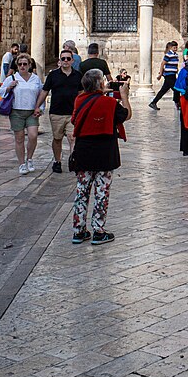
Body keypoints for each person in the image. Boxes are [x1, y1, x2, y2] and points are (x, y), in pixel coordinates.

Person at [69, 69, 131, 245]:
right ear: (100, 84)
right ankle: (98, 230)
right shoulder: (109, 103)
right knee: (101, 192)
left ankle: (78, 231)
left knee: (82, 192)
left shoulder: (79, 100)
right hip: (104, 153)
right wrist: (124, 96)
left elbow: (74, 120)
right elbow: (126, 114)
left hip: (83, 152)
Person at [34, 47, 83, 174]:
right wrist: (37, 106)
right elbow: (45, 91)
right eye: (63, 59)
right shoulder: (53, 75)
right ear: (60, 61)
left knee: (73, 138)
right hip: (56, 113)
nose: (66, 61)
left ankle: (73, 160)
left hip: (72, 113)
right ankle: (57, 161)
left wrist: (82, 108)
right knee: (57, 138)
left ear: (72, 60)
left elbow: (81, 93)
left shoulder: (78, 76)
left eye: (68, 58)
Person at [0, 54, 43, 175]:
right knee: (19, 138)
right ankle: (22, 163)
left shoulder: (35, 79)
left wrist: (40, 108)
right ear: (17, 66)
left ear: (29, 65)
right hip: (16, 111)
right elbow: (0, 91)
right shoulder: (12, 78)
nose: (22, 66)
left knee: (33, 136)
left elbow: (41, 94)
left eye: (25, 64)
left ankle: (29, 159)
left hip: (31, 112)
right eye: (20, 64)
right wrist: (8, 88)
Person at [149, 41, 179, 110]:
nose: (175, 48)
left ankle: (153, 102)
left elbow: (175, 64)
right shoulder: (168, 55)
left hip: (173, 74)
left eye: (176, 47)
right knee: (176, 89)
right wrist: (160, 74)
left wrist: (177, 71)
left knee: (163, 90)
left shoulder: (176, 55)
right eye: (174, 47)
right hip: (169, 75)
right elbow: (162, 64)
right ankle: (177, 103)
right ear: (171, 47)